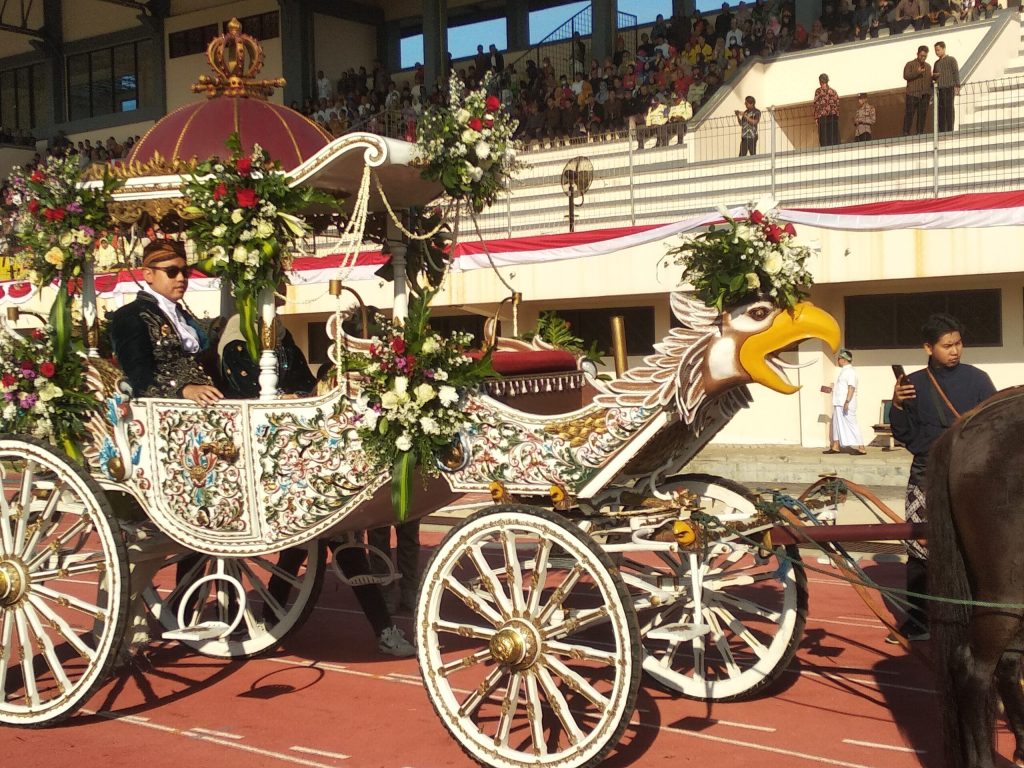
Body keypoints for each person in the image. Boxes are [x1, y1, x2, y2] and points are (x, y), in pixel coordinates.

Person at [220, 312, 415, 657]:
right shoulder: (238, 342)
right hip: (275, 455)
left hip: (304, 455)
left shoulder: (283, 340)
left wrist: (302, 399)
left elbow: (305, 383)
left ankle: (273, 620)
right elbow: (244, 393)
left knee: (315, 547)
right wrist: (284, 402)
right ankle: (381, 628)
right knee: (329, 547)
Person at [888, 313, 996, 642]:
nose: (955, 350)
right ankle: (917, 621)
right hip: (926, 472)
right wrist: (896, 404)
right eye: (947, 345)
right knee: (920, 549)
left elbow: (992, 426)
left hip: (970, 473)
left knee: (973, 546)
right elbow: (903, 432)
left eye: (958, 343)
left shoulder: (978, 380)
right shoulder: (913, 384)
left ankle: (975, 619)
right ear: (927, 347)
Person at [107, 240, 223, 404]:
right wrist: (184, 390)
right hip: (166, 411)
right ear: (148, 274)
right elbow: (138, 374)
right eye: (172, 272)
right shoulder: (131, 315)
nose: (181, 278)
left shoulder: (181, 315)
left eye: (185, 272)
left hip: (210, 403)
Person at [824, 348, 866, 455]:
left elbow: (851, 388)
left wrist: (847, 402)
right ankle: (836, 446)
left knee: (852, 424)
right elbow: (843, 387)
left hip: (846, 403)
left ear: (843, 360)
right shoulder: (844, 372)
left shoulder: (851, 372)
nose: (837, 361)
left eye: (839, 359)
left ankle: (862, 447)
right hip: (839, 403)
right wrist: (832, 388)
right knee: (836, 424)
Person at [903, 45, 932, 135]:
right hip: (912, 94)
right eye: (921, 56)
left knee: (922, 115)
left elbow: (929, 80)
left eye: (925, 56)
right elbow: (906, 76)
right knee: (909, 114)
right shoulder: (910, 64)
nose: (923, 58)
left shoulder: (928, 66)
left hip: (925, 95)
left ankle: (920, 133)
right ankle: (906, 132)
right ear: (917, 54)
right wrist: (917, 72)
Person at [932, 41, 960, 133]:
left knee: (949, 108)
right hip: (940, 89)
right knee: (941, 110)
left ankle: (950, 128)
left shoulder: (951, 60)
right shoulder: (936, 63)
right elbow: (934, 77)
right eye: (936, 50)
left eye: (938, 50)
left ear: (944, 49)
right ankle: (942, 130)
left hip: (949, 88)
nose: (937, 52)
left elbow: (955, 72)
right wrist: (934, 76)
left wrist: (957, 86)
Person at [813, 73, 840, 147]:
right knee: (827, 138)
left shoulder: (830, 91)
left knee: (829, 138)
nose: (822, 84)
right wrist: (816, 117)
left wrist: (836, 116)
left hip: (828, 117)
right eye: (822, 82)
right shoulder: (820, 91)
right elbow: (816, 104)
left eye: (823, 82)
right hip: (826, 117)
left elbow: (837, 104)